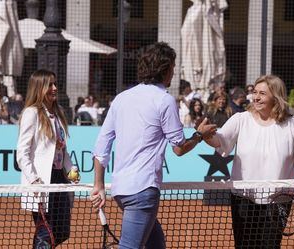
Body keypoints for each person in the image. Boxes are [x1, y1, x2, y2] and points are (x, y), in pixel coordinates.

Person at [90, 42, 216, 249]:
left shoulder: (121, 99)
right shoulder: (164, 100)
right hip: (143, 190)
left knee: (156, 244)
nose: (174, 73)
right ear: (164, 69)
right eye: (173, 68)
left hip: (121, 191)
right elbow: (179, 148)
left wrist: (99, 185)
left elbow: (101, 146)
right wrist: (199, 135)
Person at [202, 75, 294, 248]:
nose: (256, 97)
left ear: (275, 97)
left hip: (279, 200)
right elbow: (220, 141)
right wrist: (206, 136)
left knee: (270, 246)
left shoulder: (293, 125)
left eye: (262, 93)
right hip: (244, 198)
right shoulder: (241, 119)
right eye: (255, 92)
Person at [17, 69, 79, 248]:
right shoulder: (31, 113)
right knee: (46, 232)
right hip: (43, 181)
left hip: (60, 179)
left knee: (62, 231)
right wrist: (34, 179)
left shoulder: (57, 114)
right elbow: (22, 152)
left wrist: (71, 169)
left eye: (55, 84)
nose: (54, 88)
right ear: (39, 88)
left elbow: (62, 149)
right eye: (49, 85)